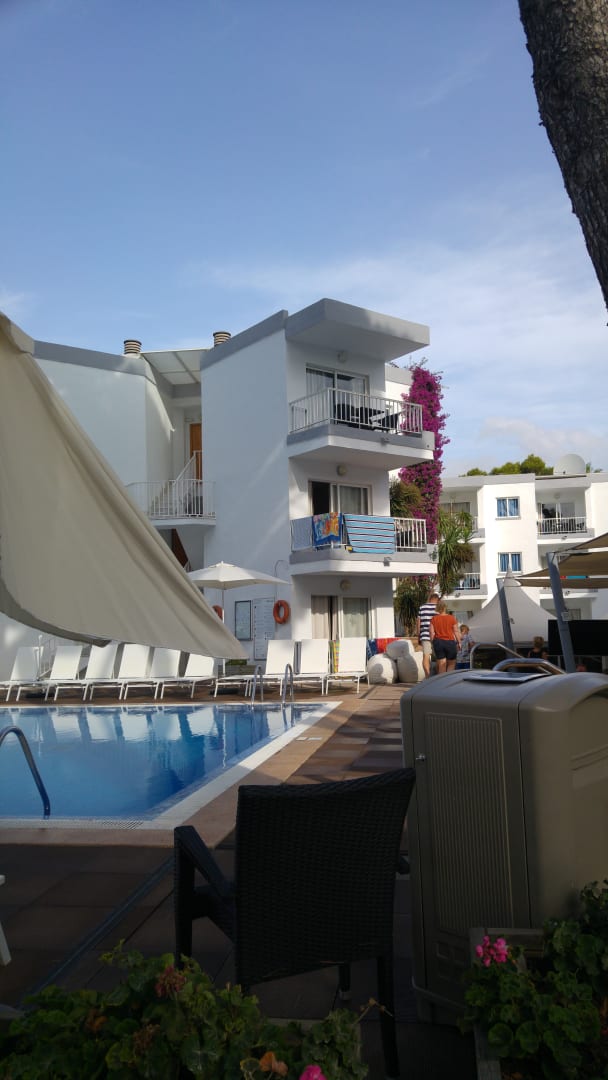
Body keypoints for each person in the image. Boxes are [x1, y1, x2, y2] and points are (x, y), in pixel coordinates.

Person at [430, 602, 462, 675]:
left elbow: (432, 633)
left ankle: (442, 681)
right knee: (451, 664)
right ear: (445, 608)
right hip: (450, 642)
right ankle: (449, 680)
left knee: (442, 664)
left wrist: (433, 642)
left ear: (437, 609)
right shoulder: (452, 618)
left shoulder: (434, 618)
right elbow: (456, 631)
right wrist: (459, 642)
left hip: (438, 642)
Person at [416, 592, 440, 678]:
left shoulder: (422, 607)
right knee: (439, 657)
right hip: (437, 636)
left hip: (425, 635)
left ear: (430, 599)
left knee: (426, 656)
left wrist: (418, 635)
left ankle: (427, 676)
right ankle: (438, 677)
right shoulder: (438, 608)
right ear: (437, 600)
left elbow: (418, 622)